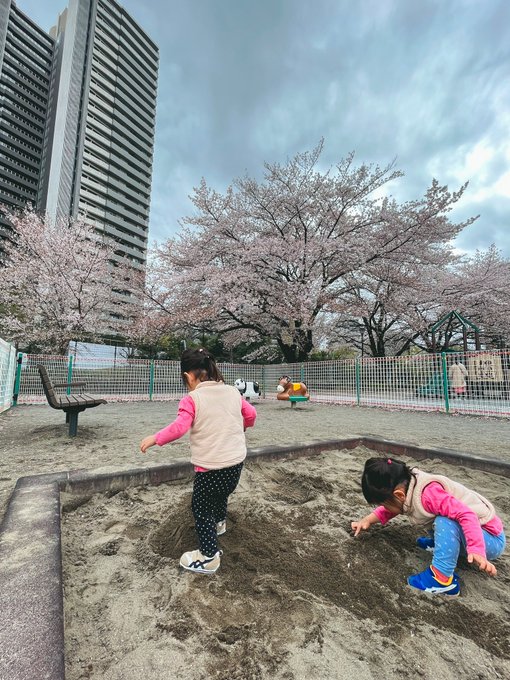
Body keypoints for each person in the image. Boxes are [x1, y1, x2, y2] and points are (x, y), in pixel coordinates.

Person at [140, 348, 257, 574]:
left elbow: (179, 428)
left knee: (201, 506)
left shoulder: (192, 399)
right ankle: (220, 523)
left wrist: (156, 438)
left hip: (210, 468)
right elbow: (251, 414)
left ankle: (208, 555)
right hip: (235, 463)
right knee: (221, 494)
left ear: (188, 376)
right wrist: (244, 426)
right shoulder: (233, 392)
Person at [351, 457, 506, 596]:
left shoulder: (429, 495)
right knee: (439, 517)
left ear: (399, 495)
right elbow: (391, 509)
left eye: (383, 503)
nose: (385, 508)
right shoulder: (407, 486)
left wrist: (476, 549)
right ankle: (444, 547)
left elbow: (467, 515)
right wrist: (368, 520)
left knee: (443, 521)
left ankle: (442, 579)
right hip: (472, 532)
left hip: (489, 538)